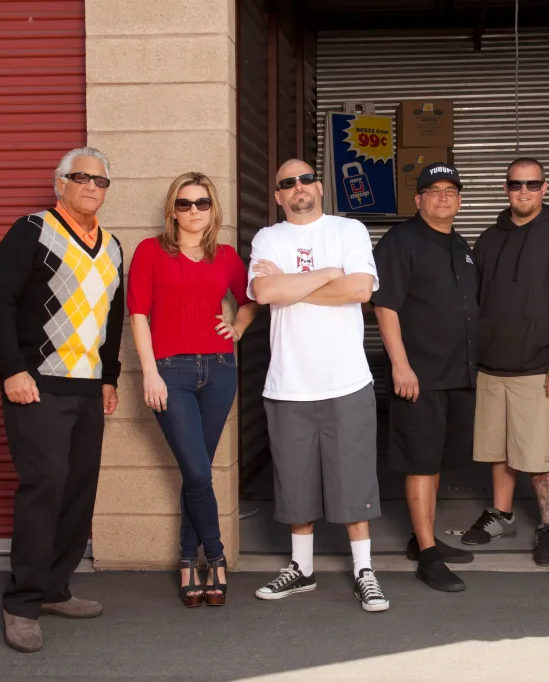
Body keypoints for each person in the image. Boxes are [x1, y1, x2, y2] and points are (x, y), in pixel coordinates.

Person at [0, 147, 124, 653]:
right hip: (37, 382)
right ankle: (20, 603)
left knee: (78, 490)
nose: (91, 185)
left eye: (101, 180)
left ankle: (54, 589)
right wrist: (12, 369)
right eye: (80, 177)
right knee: (45, 485)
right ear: (59, 183)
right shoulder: (32, 230)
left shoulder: (112, 247)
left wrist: (110, 377)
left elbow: (114, 320)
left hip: (88, 387)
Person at [248, 159, 389, 612]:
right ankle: (301, 569)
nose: (298, 188)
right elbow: (264, 293)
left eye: (305, 179)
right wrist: (329, 274)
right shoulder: (268, 238)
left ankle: (364, 571)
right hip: (289, 384)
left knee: (354, 480)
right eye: (286, 183)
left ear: (320, 187)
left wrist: (291, 285)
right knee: (295, 482)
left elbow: (361, 290)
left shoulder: (349, 231)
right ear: (278, 196)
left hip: (345, 381)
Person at [127, 173, 257, 608]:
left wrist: (236, 326)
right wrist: (149, 372)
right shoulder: (150, 252)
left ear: (212, 209)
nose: (194, 211)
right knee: (200, 473)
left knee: (194, 470)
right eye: (185, 204)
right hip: (170, 374)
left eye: (202, 203)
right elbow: (139, 315)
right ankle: (214, 557)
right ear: (172, 209)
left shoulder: (225, 257)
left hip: (219, 371)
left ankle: (187, 559)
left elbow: (252, 298)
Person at [461, 158, 549, 567]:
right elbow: (472, 303)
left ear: (545, 188)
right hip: (491, 366)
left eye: (532, 185)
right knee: (500, 448)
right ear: (506, 189)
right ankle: (502, 515)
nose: (524, 192)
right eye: (516, 185)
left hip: (538, 367)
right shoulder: (487, 239)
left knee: (540, 453)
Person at [373, 162, 477, 592]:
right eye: (433, 190)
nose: (443, 197)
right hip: (419, 375)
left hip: (456, 374)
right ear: (418, 199)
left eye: (451, 190)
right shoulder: (401, 240)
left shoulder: (460, 245)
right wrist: (400, 365)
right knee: (419, 462)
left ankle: (424, 539)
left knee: (434, 461)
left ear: (459, 199)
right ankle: (429, 557)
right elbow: (385, 306)